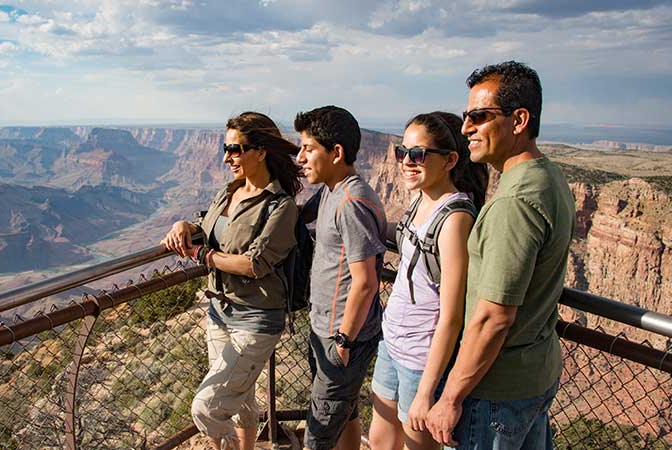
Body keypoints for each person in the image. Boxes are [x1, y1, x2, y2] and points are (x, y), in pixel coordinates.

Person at [426, 61, 575, 449]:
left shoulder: (516, 201)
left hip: (495, 393)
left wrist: (450, 397)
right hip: (534, 374)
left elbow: (493, 317)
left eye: (479, 116)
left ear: (519, 120)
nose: (465, 128)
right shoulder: (549, 178)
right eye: (465, 116)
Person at [162, 111, 302, 450]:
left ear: (261, 151)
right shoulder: (229, 193)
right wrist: (186, 226)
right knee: (240, 401)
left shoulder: (280, 206)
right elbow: (210, 229)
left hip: (256, 318)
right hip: (219, 312)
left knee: (207, 406)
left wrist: (202, 257)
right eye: (226, 148)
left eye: (235, 149)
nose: (227, 157)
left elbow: (256, 264)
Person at [368, 112, 488, 450]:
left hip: (422, 358)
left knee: (417, 445)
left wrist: (426, 392)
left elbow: (450, 317)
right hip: (392, 341)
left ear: (450, 160)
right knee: (380, 438)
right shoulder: (419, 198)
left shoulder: (455, 219)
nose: (407, 162)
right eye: (401, 152)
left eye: (418, 154)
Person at [294, 105, 387, 450]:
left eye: (308, 148)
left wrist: (344, 341)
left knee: (317, 434)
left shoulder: (351, 202)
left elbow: (365, 281)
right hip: (326, 328)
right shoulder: (331, 191)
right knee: (345, 413)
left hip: (342, 337)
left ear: (336, 153)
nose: (301, 157)